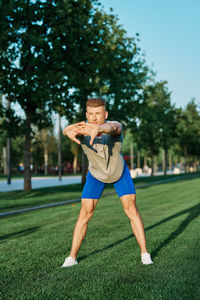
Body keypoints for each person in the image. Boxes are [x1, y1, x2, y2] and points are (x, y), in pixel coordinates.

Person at [61, 98, 153, 267]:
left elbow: (113, 127)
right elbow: (66, 130)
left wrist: (99, 129)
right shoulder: (83, 129)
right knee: (85, 213)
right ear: (86, 114)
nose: (94, 118)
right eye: (91, 114)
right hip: (96, 175)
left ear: (105, 114)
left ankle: (145, 253)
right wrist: (68, 131)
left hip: (119, 173)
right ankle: (72, 258)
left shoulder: (114, 126)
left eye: (98, 114)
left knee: (131, 208)